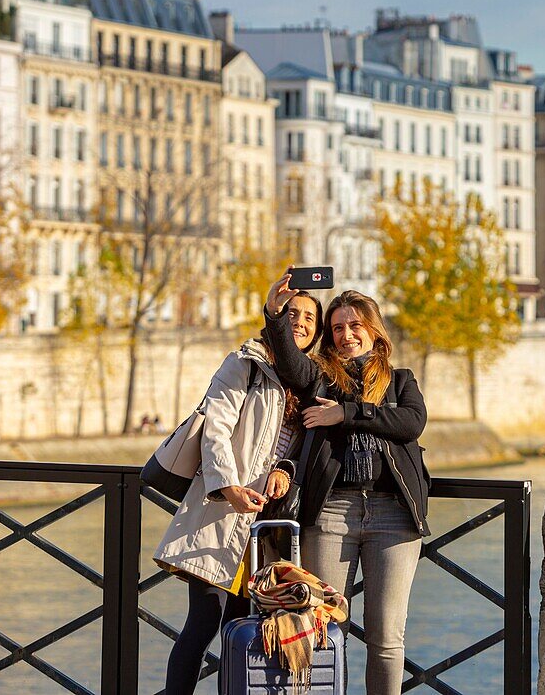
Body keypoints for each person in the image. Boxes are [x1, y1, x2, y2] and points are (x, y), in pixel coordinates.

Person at [263, 271, 430, 695]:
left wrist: (345, 415)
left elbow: (410, 423)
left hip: (394, 515)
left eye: (355, 325)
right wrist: (275, 314)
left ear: (374, 330)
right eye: (337, 328)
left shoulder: (401, 380)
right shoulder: (320, 377)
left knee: (386, 639)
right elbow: (288, 359)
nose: (346, 334)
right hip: (333, 512)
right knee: (322, 627)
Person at [153, 291, 323, 695]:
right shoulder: (244, 363)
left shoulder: (311, 379)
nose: (299, 322)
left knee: (246, 628)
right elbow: (216, 430)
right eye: (292, 313)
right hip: (224, 512)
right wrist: (228, 487)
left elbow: (296, 448)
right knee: (203, 624)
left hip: (268, 525)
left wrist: (285, 470)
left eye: (309, 319)